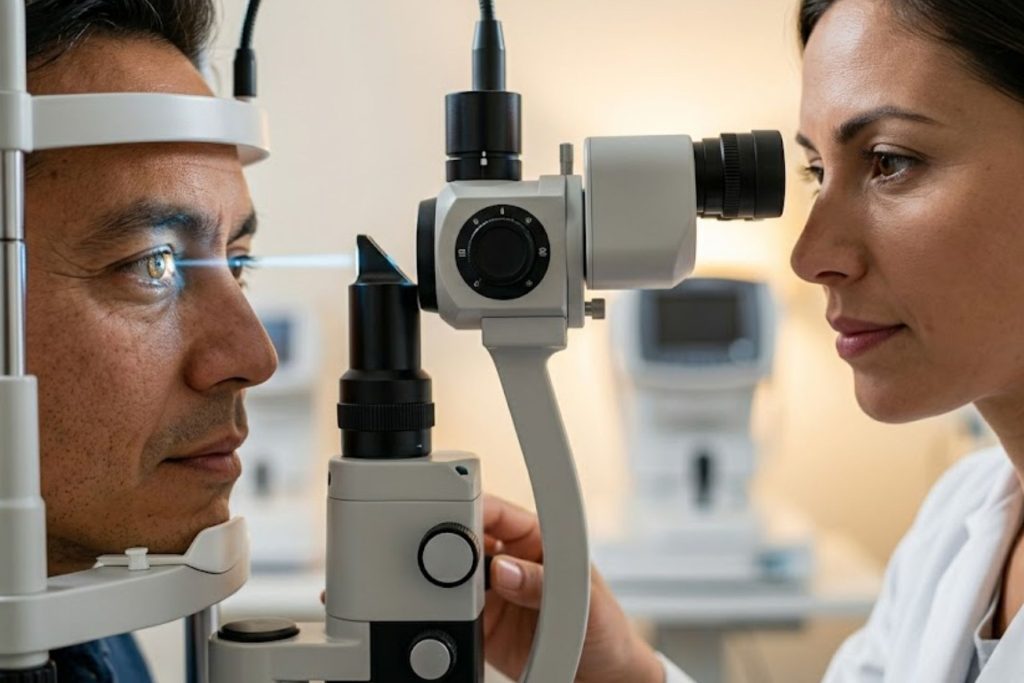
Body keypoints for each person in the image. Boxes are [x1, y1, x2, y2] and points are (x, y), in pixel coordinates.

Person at [15, 1, 663, 681]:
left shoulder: (81, 629)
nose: (256, 358)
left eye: (238, 261)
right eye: (155, 265)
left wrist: (622, 677)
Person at [535, 0, 1024, 680]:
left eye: (890, 161)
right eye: (817, 172)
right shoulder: (959, 518)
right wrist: (623, 671)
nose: (810, 256)